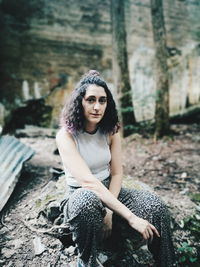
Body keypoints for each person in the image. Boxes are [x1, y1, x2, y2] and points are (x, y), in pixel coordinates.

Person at [56, 70, 175, 267]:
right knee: (86, 200)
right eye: (91, 100)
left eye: (102, 101)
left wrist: (110, 212)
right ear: (80, 102)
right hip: (79, 194)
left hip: (111, 191)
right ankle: (87, 262)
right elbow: (88, 183)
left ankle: (168, 263)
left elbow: (117, 173)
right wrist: (130, 217)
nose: (97, 107)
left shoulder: (111, 131)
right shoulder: (66, 136)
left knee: (157, 207)